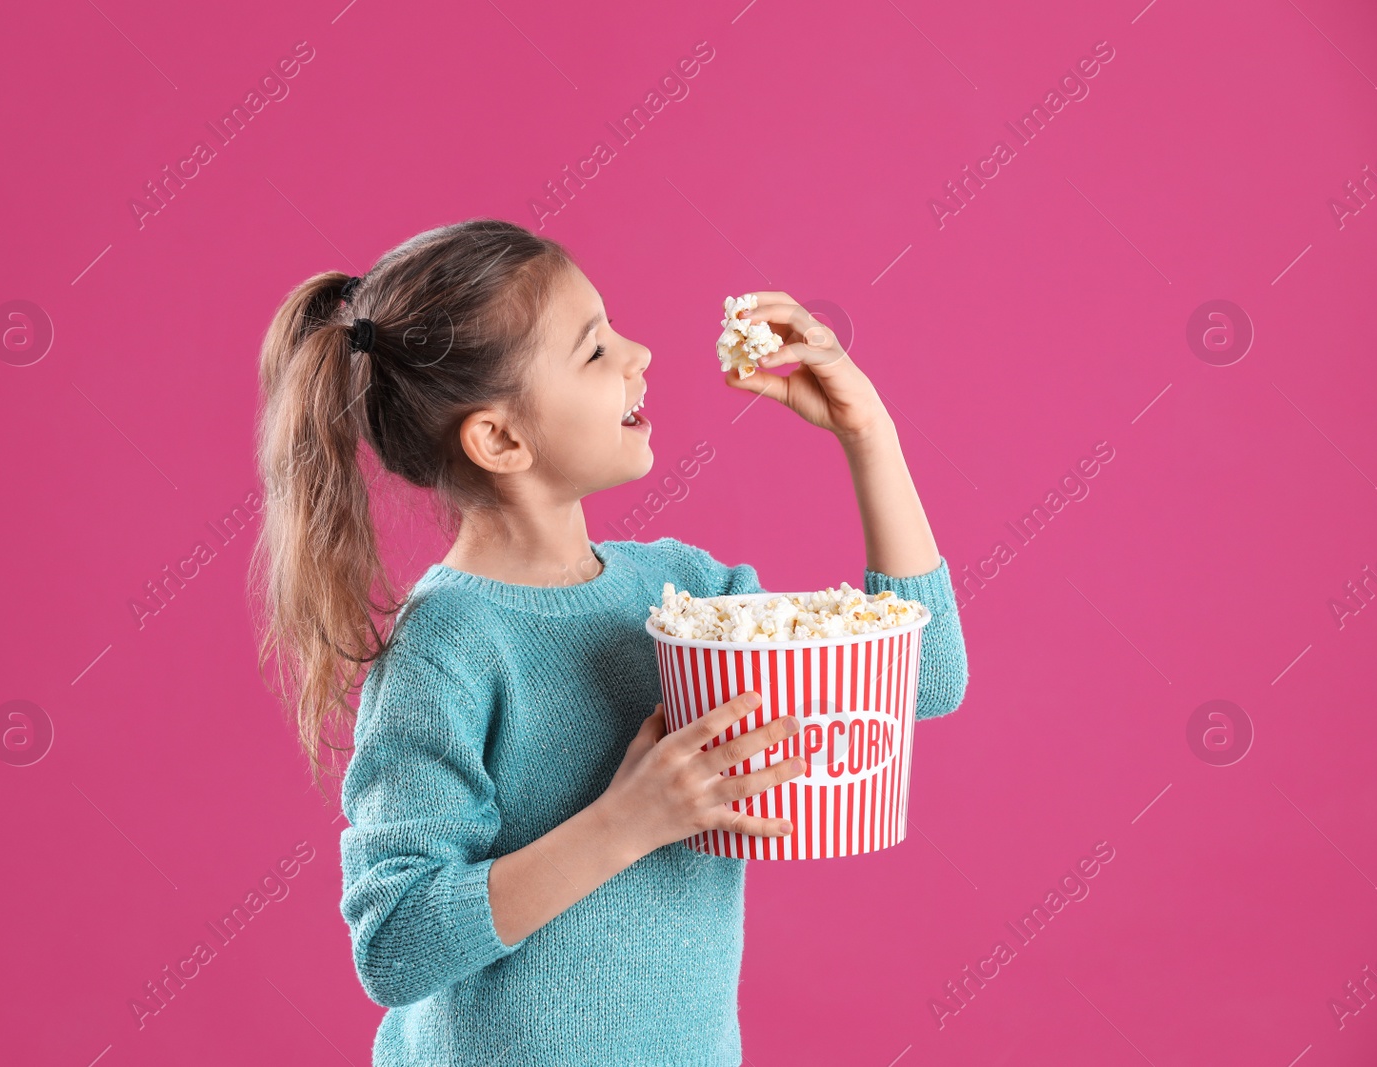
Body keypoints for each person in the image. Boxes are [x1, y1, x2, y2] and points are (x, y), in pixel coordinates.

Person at [250, 218, 969, 1066]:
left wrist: (867, 432)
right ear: (501, 439)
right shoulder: (445, 645)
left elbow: (919, 680)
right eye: (594, 351)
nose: (641, 355)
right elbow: (396, 942)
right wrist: (627, 822)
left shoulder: (684, 597)